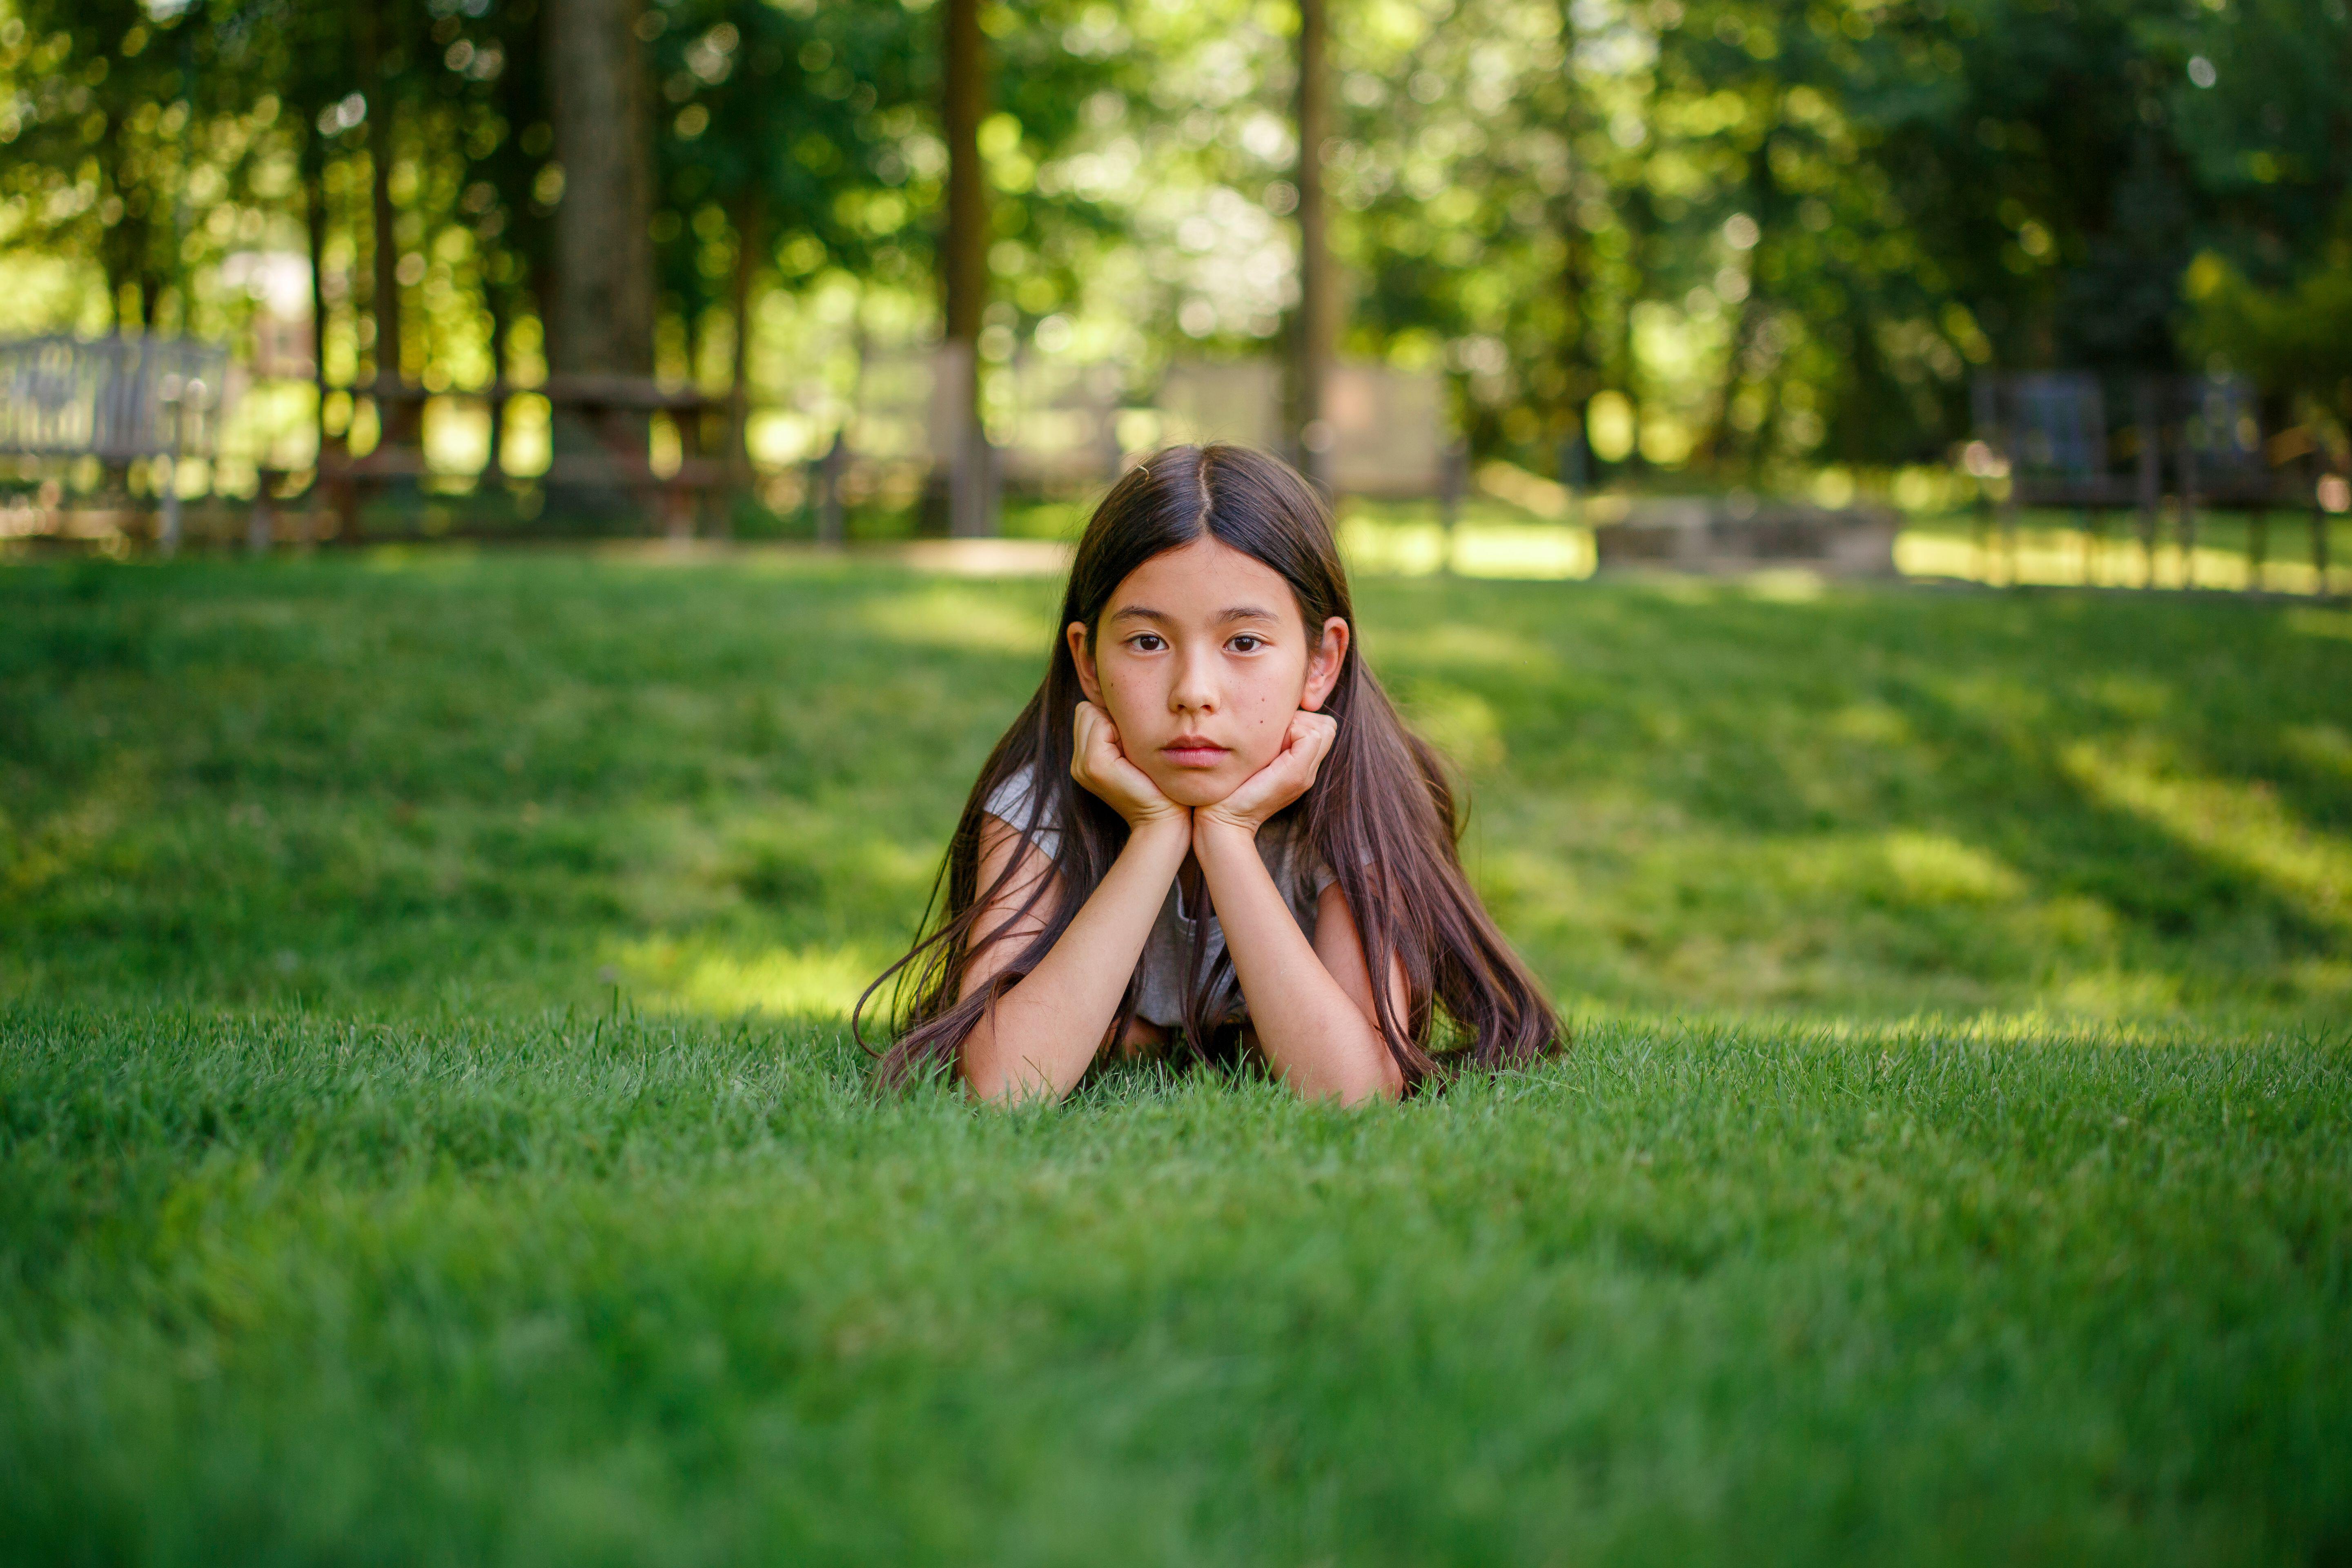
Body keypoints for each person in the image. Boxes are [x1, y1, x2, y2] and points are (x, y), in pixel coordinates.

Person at [860, 444, 1560, 1105]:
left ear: (1321, 661)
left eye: (1245, 642)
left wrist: (1226, 835)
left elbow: (1354, 1091)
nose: (1194, 690)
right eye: (1147, 641)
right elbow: (1004, 1086)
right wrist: (1156, 834)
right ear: (1088, 662)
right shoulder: (1038, 801)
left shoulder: (1366, 798)